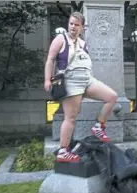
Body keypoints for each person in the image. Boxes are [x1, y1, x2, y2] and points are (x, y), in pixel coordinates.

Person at [44, 12, 118, 162]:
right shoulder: (61, 39)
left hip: (87, 80)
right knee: (71, 117)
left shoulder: (83, 43)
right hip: (71, 82)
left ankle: (99, 127)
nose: (73, 27)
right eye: (71, 24)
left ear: (82, 28)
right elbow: (50, 59)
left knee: (112, 97)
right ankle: (63, 151)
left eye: (76, 25)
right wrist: (47, 80)